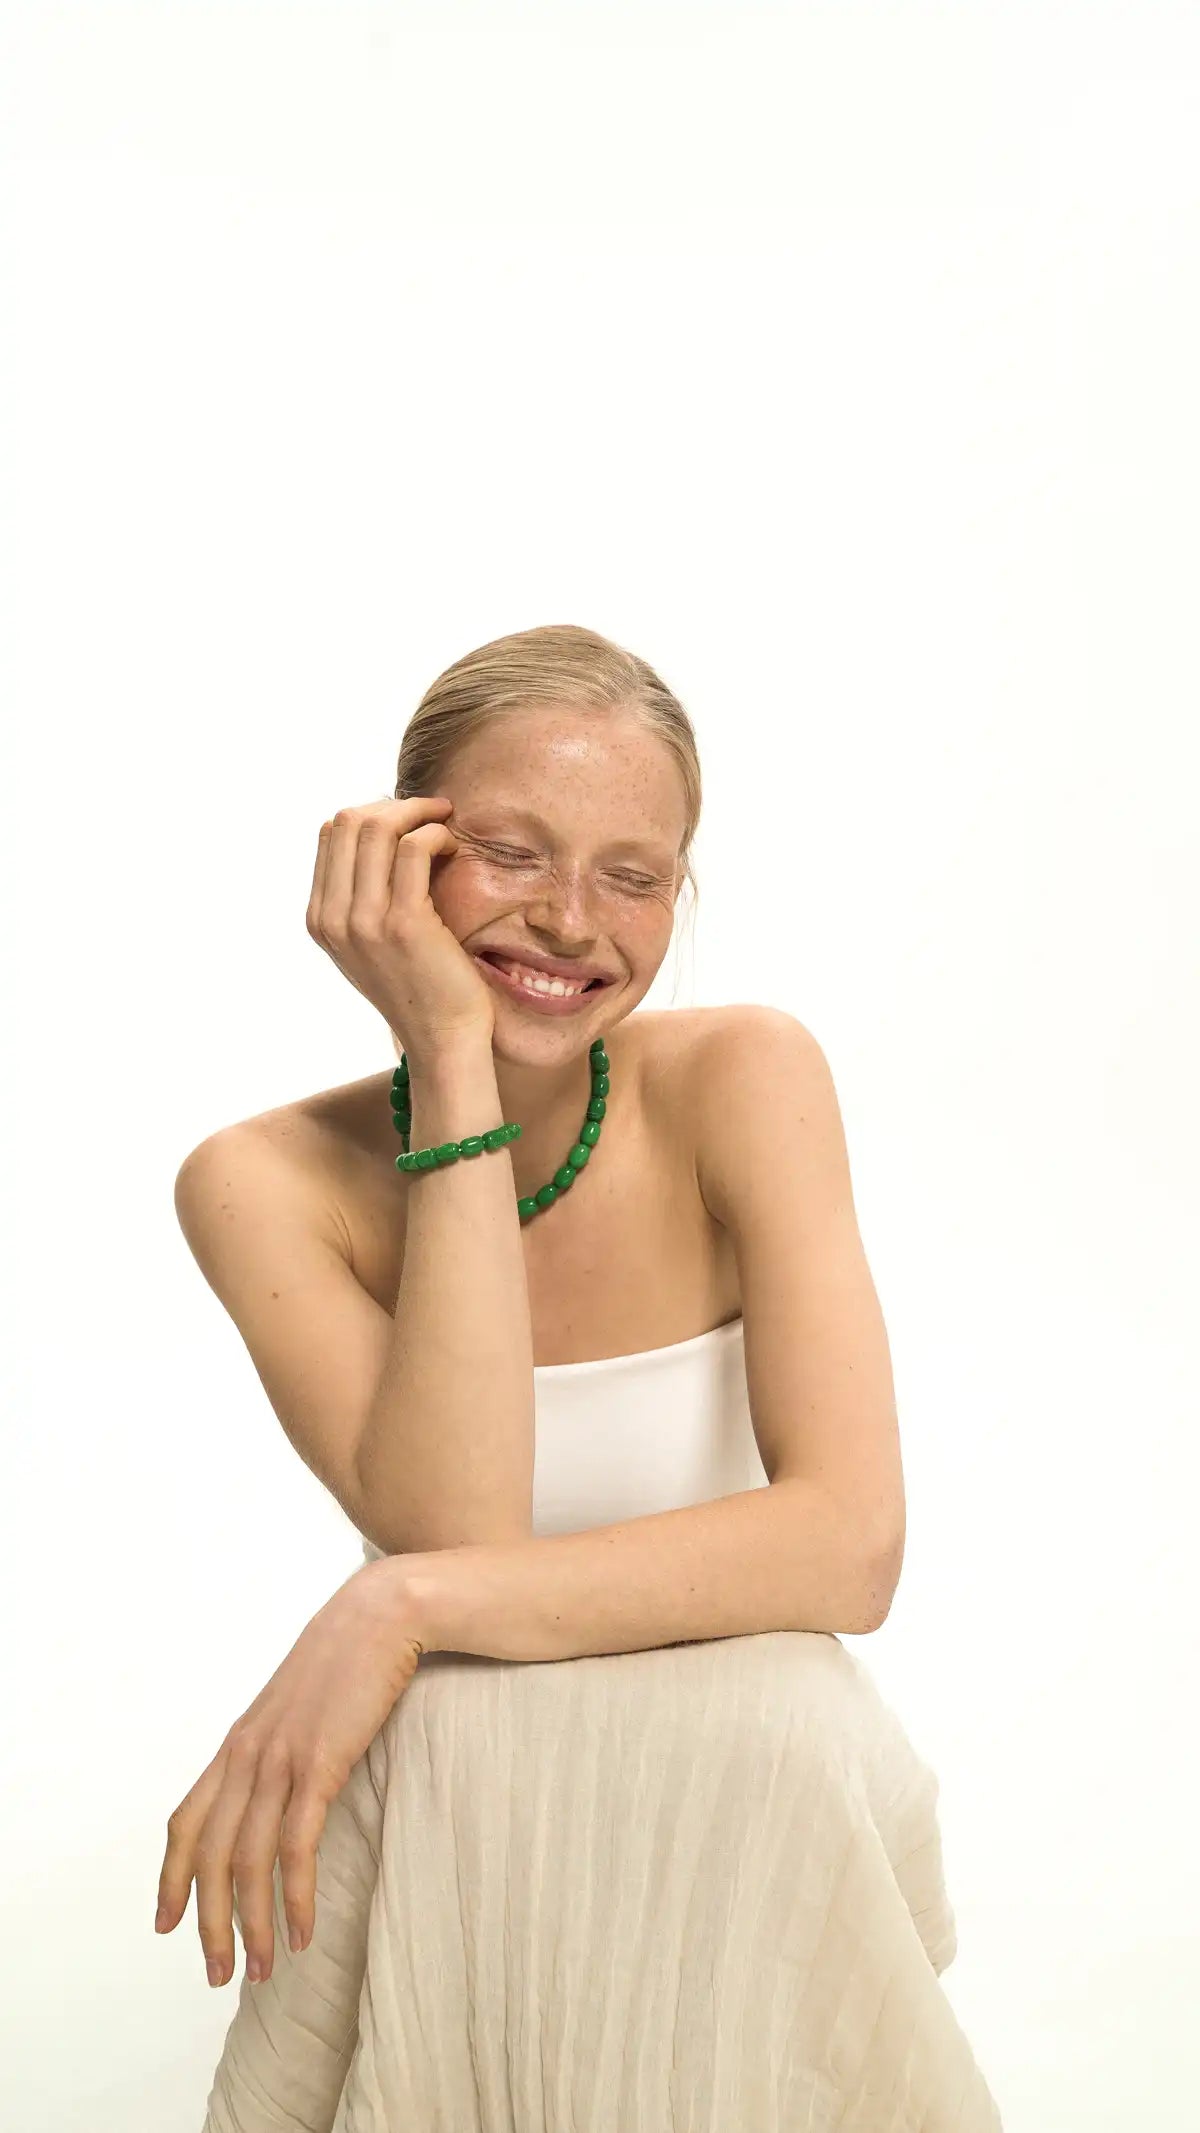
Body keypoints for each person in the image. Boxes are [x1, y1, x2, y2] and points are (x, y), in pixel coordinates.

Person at [160, 623, 1002, 2130]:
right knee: (451, 1739)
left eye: (635, 874)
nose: (569, 921)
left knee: (779, 1711)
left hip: (740, 1792)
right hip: (459, 1808)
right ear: (399, 854)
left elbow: (849, 1547)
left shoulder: (748, 1076)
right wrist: (449, 1051)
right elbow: (462, 1522)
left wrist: (394, 1607)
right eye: (508, 854)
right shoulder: (260, 1181)